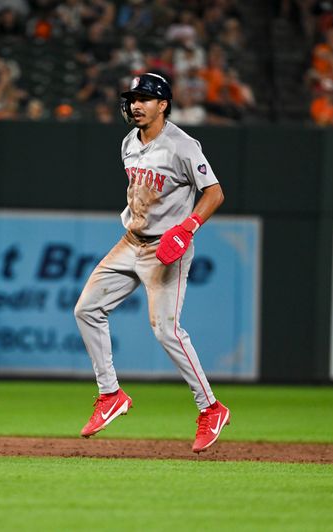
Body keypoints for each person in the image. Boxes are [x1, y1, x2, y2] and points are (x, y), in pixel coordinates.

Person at [73, 73, 230, 454]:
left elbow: (215, 192)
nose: (136, 104)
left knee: (166, 330)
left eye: (145, 98)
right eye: (133, 97)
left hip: (167, 249)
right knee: (86, 309)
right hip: (131, 241)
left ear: (163, 104)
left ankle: (211, 407)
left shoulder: (182, 145)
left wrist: (189, 226)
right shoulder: (129, 141)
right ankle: (110, 394)